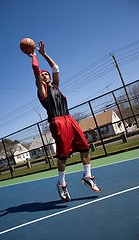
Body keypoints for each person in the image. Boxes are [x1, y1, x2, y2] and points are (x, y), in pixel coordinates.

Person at [28, 40, 101, 202]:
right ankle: (61, 184)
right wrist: (33, 56)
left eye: (45, 74)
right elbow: (35, 70)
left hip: (69, 119)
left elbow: (56, 68)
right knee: (63, 156)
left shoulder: (56, 86)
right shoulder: (42, 91)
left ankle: (88, 176)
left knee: (85, 147)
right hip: (57, 123)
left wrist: (44, 54)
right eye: (42, 74)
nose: (44, 74)